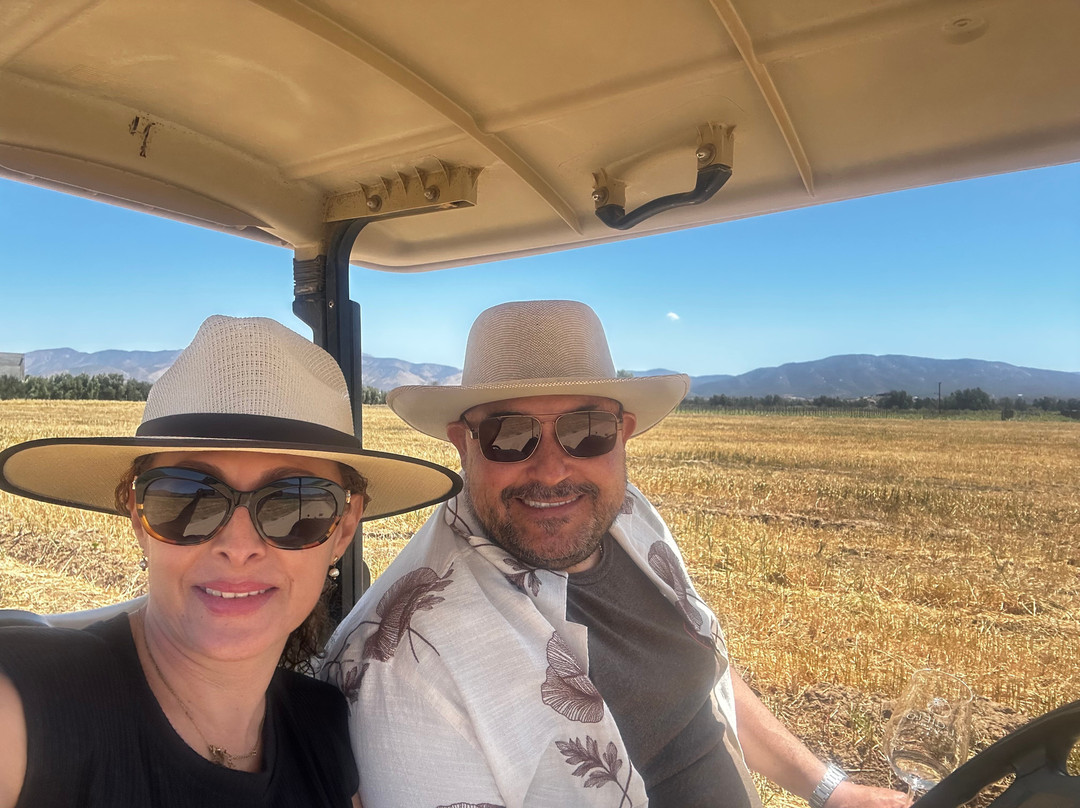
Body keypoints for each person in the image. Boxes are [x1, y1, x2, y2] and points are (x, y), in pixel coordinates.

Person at [322, 300, 908, 808]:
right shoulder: (405, 666)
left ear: (622, 434)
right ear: (463, 443)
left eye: (586, 431)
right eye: (508, 434)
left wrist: (830, 788)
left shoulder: (627, 517)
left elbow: (703, 679)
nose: (551, 470)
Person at [0, 315, 461, 808]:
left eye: (296, 505)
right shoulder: (29, 709)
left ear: (342, 530)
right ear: (138, 517)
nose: (238, 545)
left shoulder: (322, 726)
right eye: (186, 498)